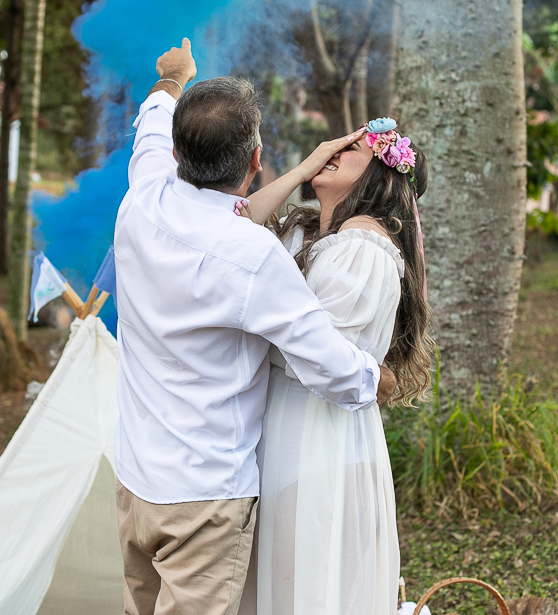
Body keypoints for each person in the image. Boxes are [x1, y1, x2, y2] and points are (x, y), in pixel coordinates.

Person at [112, 39, 398, 615]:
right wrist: (379, 379)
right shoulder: (253, 256)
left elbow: (155, 115)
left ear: (176, 152)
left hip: (135, 480)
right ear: (255, 160)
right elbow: (326, 360)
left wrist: (172, 78)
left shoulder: (142, 196)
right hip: (204, 498)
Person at [236, 114, 434, 615]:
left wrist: (247, 328)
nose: (335, 150)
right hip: (283, 428)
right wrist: (302, 169)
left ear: (379, 177)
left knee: (306, 581)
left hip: (317, 436)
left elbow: (314, 355)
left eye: (353, 150)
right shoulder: (307, 234)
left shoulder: (363, 245)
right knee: (280, 579)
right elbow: (229, 229)